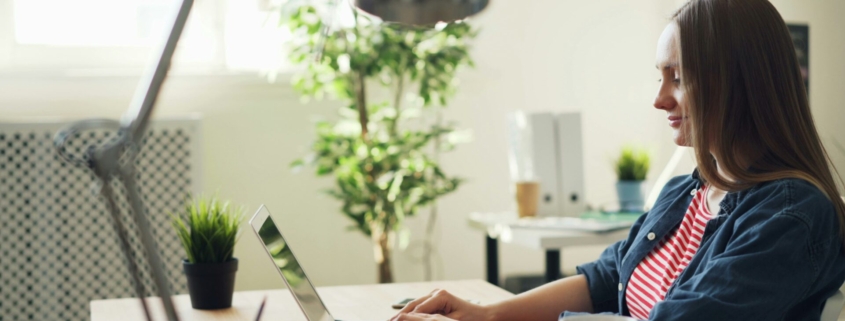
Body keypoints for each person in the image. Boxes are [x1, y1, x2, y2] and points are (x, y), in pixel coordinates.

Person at [389, 0, 845, 320]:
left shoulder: (792, 215)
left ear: (739, 84)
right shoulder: (686, 190)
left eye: (679, 78)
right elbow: (607, 279)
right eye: (660, 77)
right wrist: (486, 316)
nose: (659, 99)